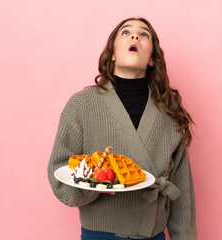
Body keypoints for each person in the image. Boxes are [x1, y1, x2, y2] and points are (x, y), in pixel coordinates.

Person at [47, 17, 197, 240]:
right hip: (99, 235)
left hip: (153, 234)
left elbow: (182, 189)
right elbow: (59, 170)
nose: (135, 36)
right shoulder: (81, 104)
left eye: (144, 34)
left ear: (153, 59)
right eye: (125, 32)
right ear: (113, 53)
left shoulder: (169, 111)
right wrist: (96, 181)